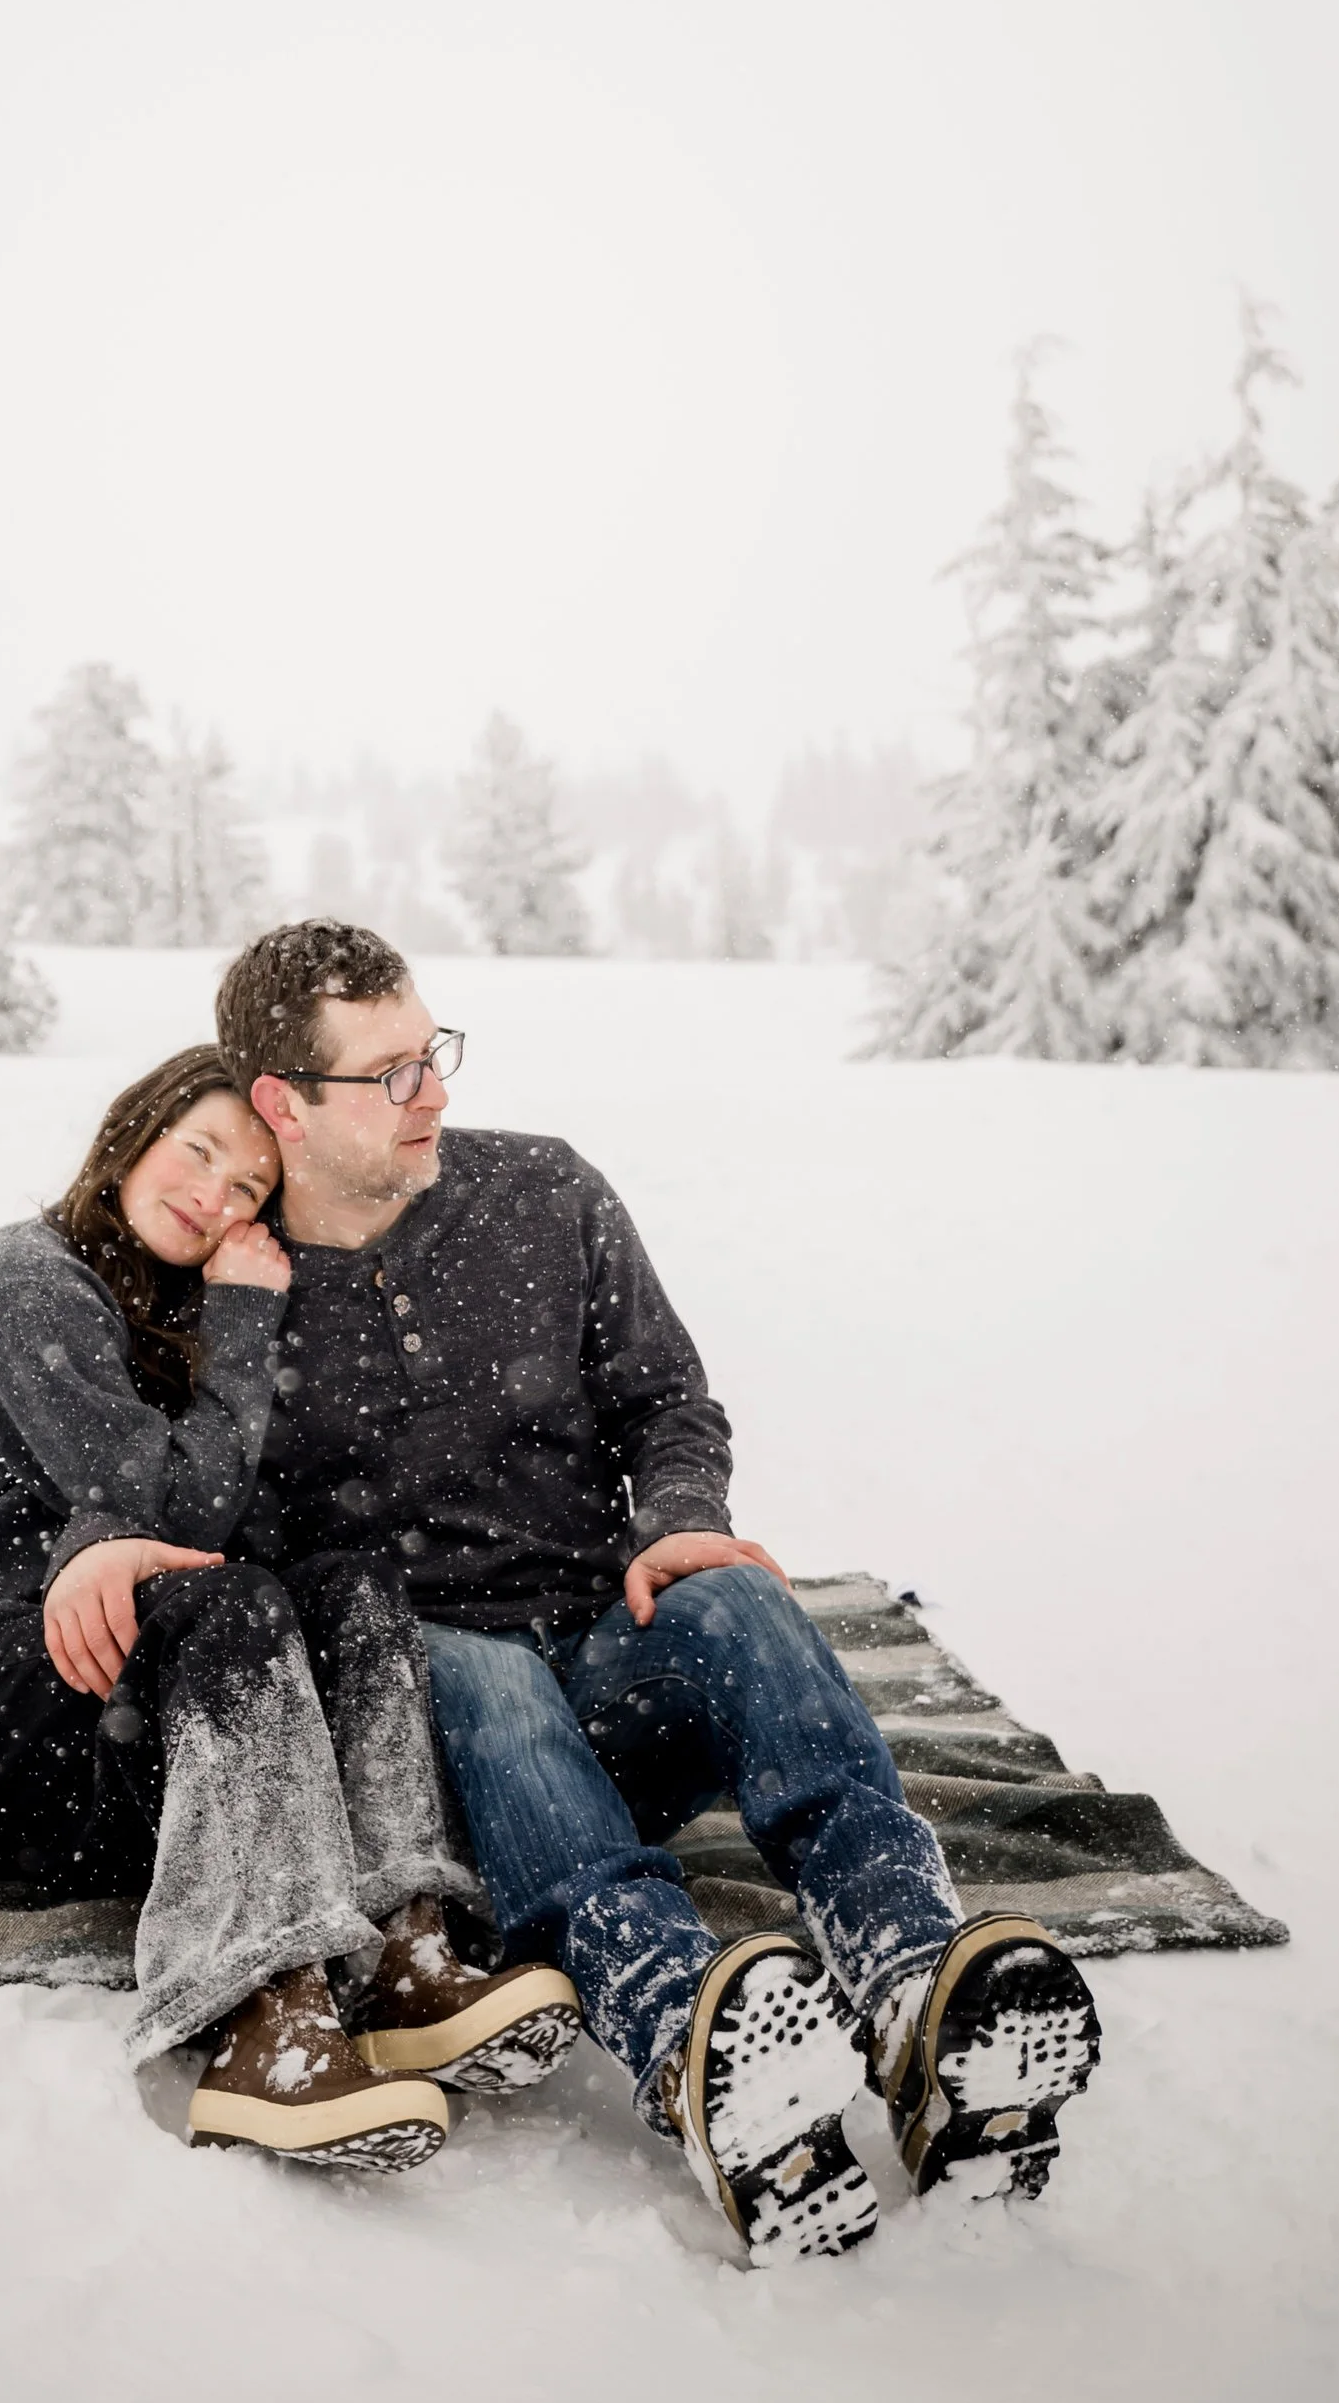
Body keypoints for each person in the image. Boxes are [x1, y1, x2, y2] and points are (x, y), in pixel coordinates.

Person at [216, 920, 1103, 2260]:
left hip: (610, 1660)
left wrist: (681, 1523)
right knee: (482, 1673)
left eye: (435, 1052)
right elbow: (203, 1527)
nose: (437, 1090)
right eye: (391, 1072)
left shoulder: (544, 1195)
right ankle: (688, 2025)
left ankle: (912, 1981)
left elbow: (668, 1403)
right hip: (441, 1736)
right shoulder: (235, 1294)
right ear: (286, 1103)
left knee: (738, 1603)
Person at [0, 1042, 580, 2170]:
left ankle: (403, 1946)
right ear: (131, 1133)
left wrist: (125, 1542)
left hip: (105, 1718)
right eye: (198, 1152)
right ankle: (264, 2024)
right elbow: (169, 1507)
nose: (212, 1195)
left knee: (351, 1588)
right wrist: (238, 1333)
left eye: (247, 1186)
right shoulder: (27, 1279)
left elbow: (221, 1521)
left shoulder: (168, 1306)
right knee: (222, 1602)